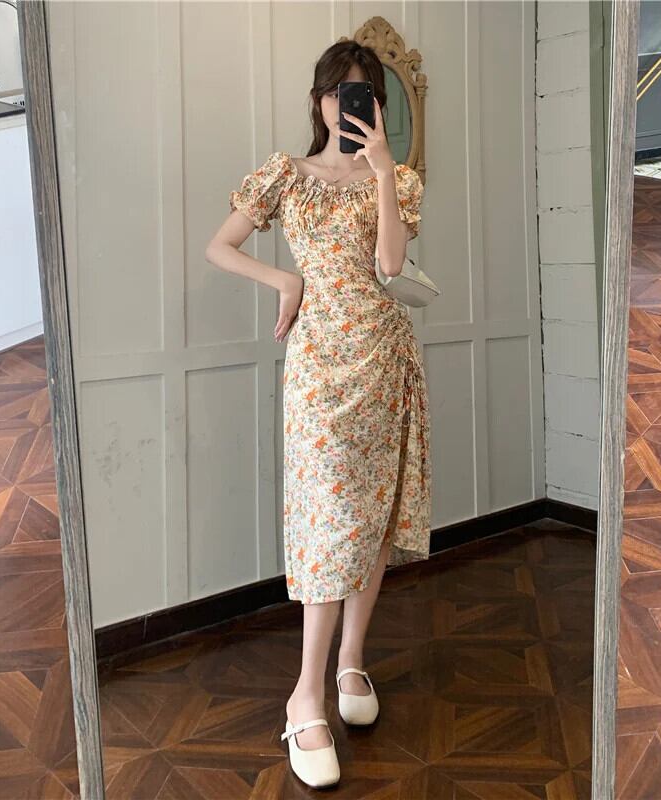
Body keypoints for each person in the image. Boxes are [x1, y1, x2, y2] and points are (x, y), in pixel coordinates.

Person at [205, 39, 431, 789]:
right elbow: (220, 245)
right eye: (338, 91)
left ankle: (351, 663)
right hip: (320, 372)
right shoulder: (286, 174)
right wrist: (284, 282)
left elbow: (391, 266)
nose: (348, 104)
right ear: (318, 100)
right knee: (331, 522)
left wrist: (383, 173)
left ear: (378, 106)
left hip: (383, 359)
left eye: (362, 93)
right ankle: (304, 693)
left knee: (372, 519)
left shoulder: (396, 178)